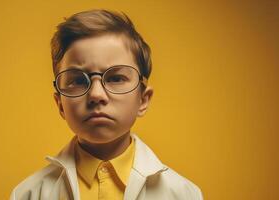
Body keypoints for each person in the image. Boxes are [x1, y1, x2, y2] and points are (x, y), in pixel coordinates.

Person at [10, 9, 203, 200]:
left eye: (116, 78)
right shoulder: (27, 195)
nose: (96, 94)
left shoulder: (183, 194)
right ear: (60, 104)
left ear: (143, 99)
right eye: (78, 80)